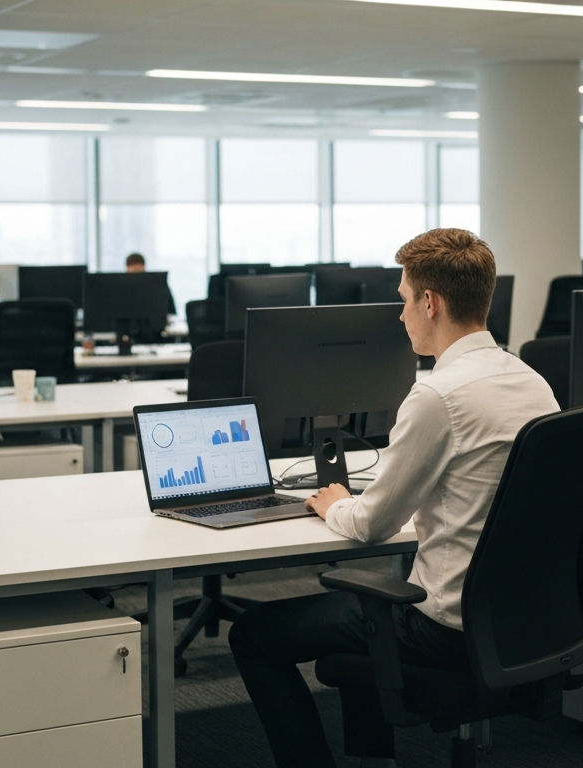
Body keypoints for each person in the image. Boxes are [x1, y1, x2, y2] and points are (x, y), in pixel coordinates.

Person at [228, 228, 560, 768]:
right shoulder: (531, 381)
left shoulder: (437, 395)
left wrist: (331, 501)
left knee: (254, 634)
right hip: (521, 620)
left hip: (445, 629)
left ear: (431, 303)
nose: (401, 315)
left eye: (405, 300)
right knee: (368, 607)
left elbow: (372, 525)